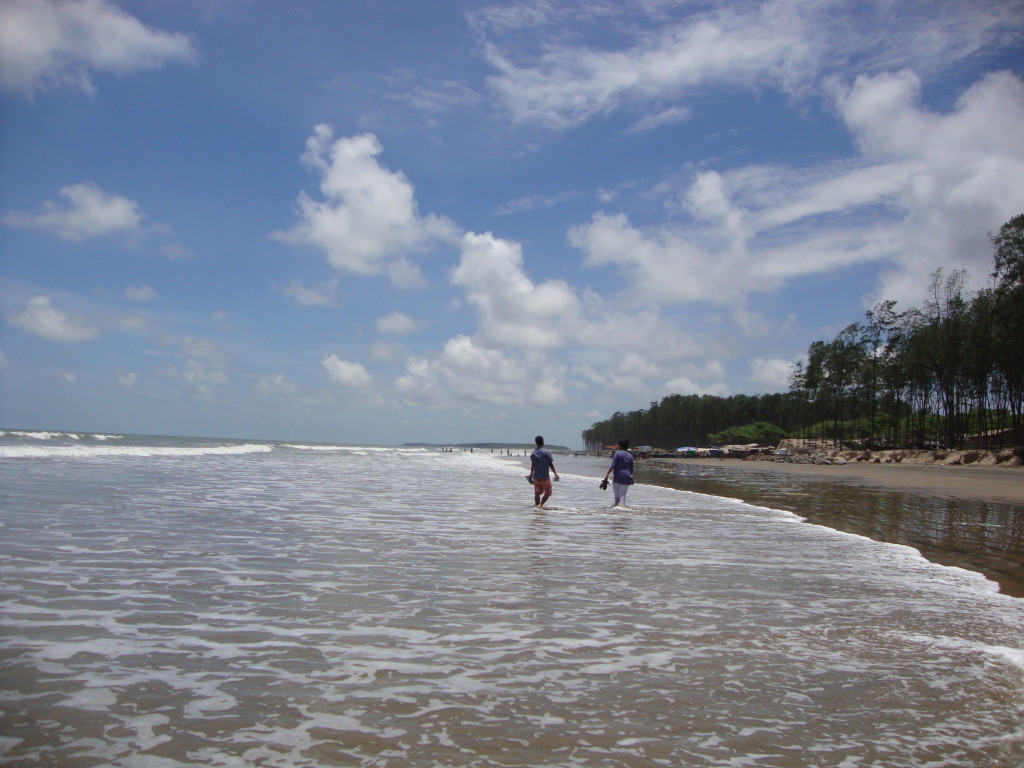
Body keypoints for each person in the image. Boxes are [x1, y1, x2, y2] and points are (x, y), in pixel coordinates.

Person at [529, 435, 559, 509]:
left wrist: (531, 473)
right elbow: (550, 464)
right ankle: (541, 504)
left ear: (536, 443)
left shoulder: (533, 453)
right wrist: (555, 473)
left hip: (536, 477)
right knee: (548, 492)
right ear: (543, 442)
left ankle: (537, 506)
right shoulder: (546, 452)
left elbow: (533, 464)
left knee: (537, 493)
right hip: (545, 477)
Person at [602, 439, 634, 507]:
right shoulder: (630, 456)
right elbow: (631, 469)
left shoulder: (617, 454)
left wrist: (607, 474)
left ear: (620, 446)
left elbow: (613, 465)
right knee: (622, 495)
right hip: (627, 477)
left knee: (616, 495)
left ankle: (617, 508)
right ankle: (622, 509)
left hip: (618, 476)